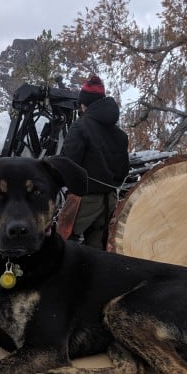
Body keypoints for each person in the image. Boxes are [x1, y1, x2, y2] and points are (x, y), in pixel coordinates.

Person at [61, 75, 129, 249]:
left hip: (84, 201)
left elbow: (67, 164)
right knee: (99, 249)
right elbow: (123, 170)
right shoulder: (119, 134)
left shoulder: (80, 127)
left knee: (61, 243)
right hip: (110, 200)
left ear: (84, 104)